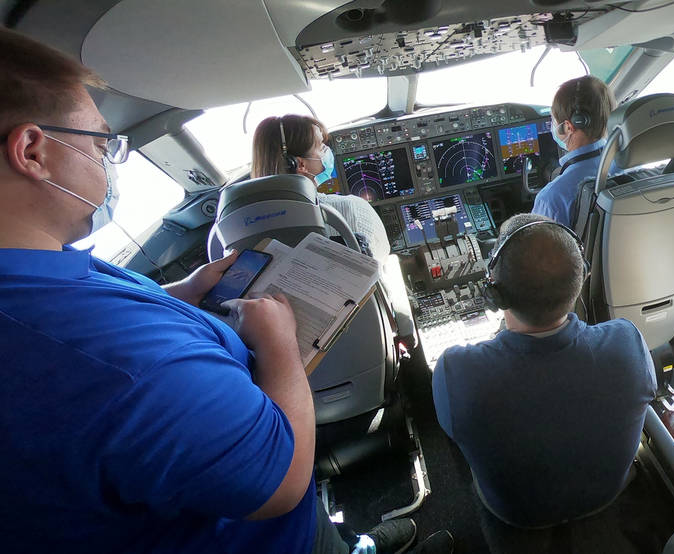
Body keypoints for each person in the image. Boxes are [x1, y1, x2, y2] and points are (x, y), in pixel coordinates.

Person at [0, 27, 450, 554]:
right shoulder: (125, 361)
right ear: (32, 151)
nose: (107, 158)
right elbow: (282, 483)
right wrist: (280, 345)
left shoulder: (41, 272)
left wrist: (180, 292)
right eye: (102, 142)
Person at [432, 213, 657, 529]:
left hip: (515, 515)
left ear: (494, 293)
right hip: (606, 497)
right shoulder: (628, 343)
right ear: (580, 281)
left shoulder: (455, 374)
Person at [252, 114, 390, 264]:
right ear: (300, 165)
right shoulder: (352, 208)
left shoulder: (238, 223)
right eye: (320, 146)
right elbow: (380, 261)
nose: (327, 151)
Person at [532, 75, 615, 229]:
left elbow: (537, 252)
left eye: (554, 119)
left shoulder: (552, 198)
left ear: (569, 127)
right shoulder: (632, 170)